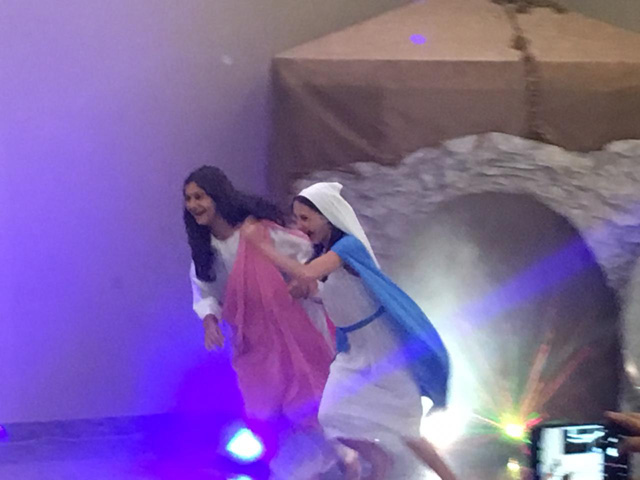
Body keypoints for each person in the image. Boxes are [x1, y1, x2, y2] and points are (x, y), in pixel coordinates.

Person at [242, 181, 457, 480]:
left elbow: (307, 272)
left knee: (407, 429)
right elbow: (333, 292)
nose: (301, 226)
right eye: (298, 219)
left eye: (306, 218)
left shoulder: (348, 247)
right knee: (332, 415)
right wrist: (308, 294)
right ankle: (378, 459)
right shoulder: (325, 253)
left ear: (327, 216)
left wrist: (262, 246)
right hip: (354, 350)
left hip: (383, 347)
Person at [183, 166, 334, 478]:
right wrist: (210, 321)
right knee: (263, 408)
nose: (194, 204)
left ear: (218, 196)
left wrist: (302, 281)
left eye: (200, 196)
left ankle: (334, 459)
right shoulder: (204, 250)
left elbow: (305, 253)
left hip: (292, 326)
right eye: (189, 199)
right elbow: (205, 290)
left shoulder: (257, 232)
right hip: (252, 338)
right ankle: (295, 467)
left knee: (304, 396)